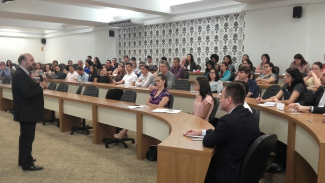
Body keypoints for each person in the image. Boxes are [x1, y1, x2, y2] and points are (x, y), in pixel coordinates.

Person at [183, 82, 260, 183]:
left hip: (227, 171)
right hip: (243, 167)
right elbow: (222, 133)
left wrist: (207, 135)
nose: (219, 100)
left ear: (229, 100)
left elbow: (208, 142)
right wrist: (201, 132)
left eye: (221, 97)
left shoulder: (227, 120)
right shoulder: (250, 115)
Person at [13, 53, 48, 171]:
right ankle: (27, 164)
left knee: (25, 137)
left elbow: (29, 89)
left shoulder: (23, 73)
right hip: (26, 111)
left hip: (27, 111)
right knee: (27, 138)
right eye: (31, 60)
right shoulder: (20, 75)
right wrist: (41, 87)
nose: (34, 62)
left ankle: (23, 159)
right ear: (24, 62)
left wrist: (38, 84)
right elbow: (27, 94)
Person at [114, 74, 170, 139]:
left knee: (140, 118)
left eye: (158, 81)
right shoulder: (154, 91)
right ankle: (124, 132)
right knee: (136, 116)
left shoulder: (166, 93)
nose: (156, 82)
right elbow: (146, 102)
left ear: (164, 81)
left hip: (160, 114)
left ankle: (123, 133)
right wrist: (153, 105)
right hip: (150, 111)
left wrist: (150, 105)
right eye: (156, 81)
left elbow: (160, 106)